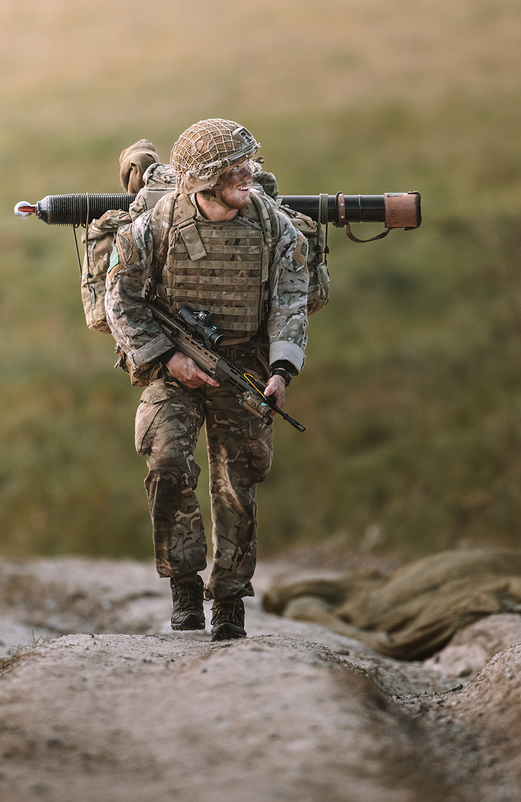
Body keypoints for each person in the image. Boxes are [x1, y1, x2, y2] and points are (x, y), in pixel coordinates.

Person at [105, 119, 309, 641]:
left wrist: (282, 369)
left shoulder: (272, 226)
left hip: (243, 367)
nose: (249, 175)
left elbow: (290, 299)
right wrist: (167, 358)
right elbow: (119, 299)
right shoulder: (156, 225)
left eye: (249, 164)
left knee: (238, 484)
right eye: (235, 170)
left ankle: (230, 600)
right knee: (169, 459)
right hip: (170, 365)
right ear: (203, 183)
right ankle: (184, 587)